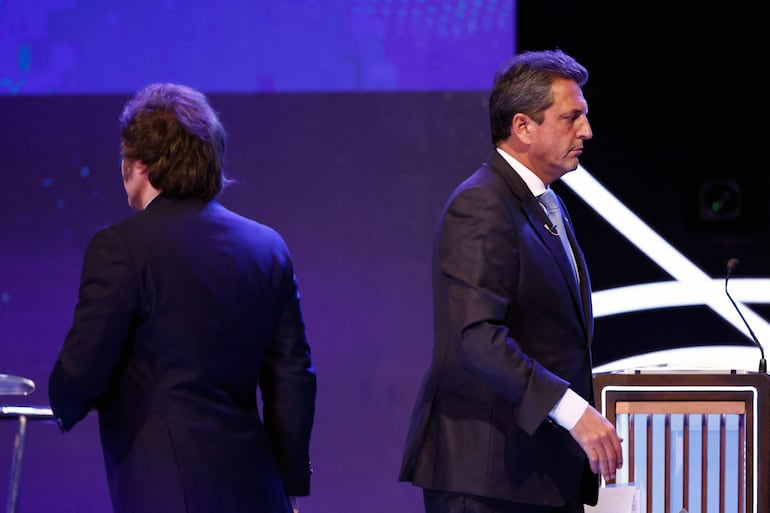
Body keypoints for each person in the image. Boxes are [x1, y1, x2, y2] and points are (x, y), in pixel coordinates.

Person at [48, 83, 316, 513]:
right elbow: (294, 376)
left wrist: (64, 403)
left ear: (140, 164)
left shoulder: (121, 246)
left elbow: (84, 365)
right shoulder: (266, 247)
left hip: (165, 490)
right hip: (258, 489)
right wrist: (290, 484)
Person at [398, 49, 623, 512]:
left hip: (534, 473)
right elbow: (476, 336)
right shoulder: (481, 204)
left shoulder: (544, 204)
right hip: (488, 477)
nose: (587, 131)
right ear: (523, 127)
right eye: (571, 117)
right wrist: (572, 409)